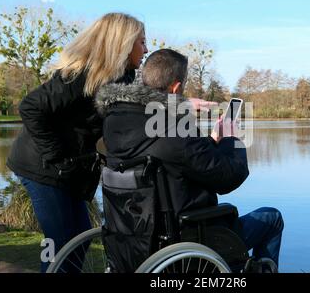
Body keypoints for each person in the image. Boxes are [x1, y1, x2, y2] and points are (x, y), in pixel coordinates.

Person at [95, 48, 284, 271]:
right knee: (271, 218)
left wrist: (213, 140)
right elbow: (229, 177)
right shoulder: (177, 129)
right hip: (186, 240)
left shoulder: (116, 120)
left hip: (132, 238)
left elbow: (179, 157)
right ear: (175, 88)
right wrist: (231, 138)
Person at [6, 13, 148, 273]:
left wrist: (178, 104)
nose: (146, 49)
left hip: (65, 169)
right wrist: (56, 155)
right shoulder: (82, 74)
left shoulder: (120, 77)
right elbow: (30, 107)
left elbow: (140, 104)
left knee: (79, 238)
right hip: (42, 168)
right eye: (141, 42)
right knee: (61, 244)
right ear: (123, 43)